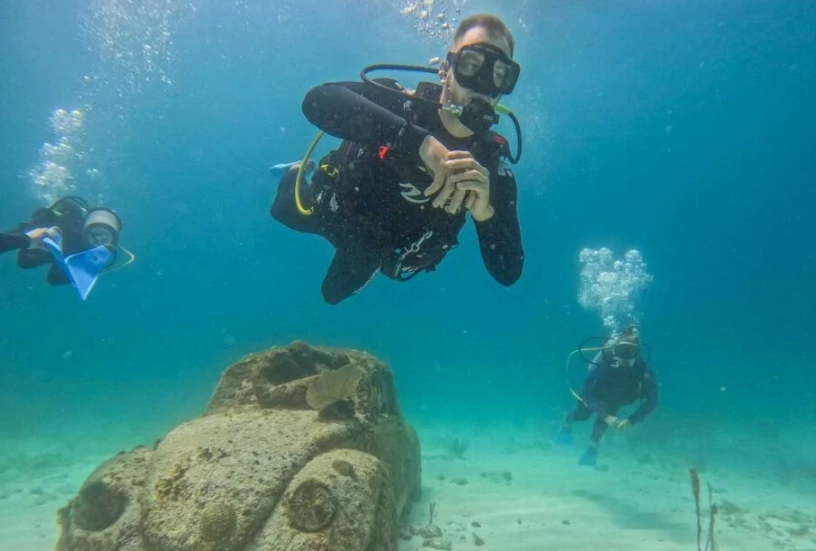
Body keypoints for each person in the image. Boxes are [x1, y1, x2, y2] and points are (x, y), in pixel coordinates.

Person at [271, 13, 525, 304]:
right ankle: (293, 171)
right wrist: (420, 143)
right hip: (332, 210)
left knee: (332, 294)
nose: (482, 84)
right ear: (445, 70)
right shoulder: (398, 103)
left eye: (499, 74)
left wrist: (485, 214)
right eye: (471, 65)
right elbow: (317, 100)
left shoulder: (490, 169)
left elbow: (508, 271)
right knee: (282, 211)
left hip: (378, 250)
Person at [554, 325, 659, 466]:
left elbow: (652, 400)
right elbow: (586, 392)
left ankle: (592, 448)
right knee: (583, 415)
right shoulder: (604, 364)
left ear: (638, 353)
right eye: (622, 351)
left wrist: (632, 420)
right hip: (593, 395)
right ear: (615, 351)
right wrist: (605, 415)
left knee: (602, 424)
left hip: (616, 399)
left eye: (631, 351)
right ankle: (567, 422)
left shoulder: (642, 371)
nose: (626, 357)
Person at [0, 196, 125, 299]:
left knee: (28, 260)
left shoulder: (81, 241)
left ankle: (44, 249)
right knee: (27, 260)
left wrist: (28, 240)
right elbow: (52, 278)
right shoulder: (65, 218)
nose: (98, 240)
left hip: (49, 244)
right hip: (46, 239)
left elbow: (54, 278)